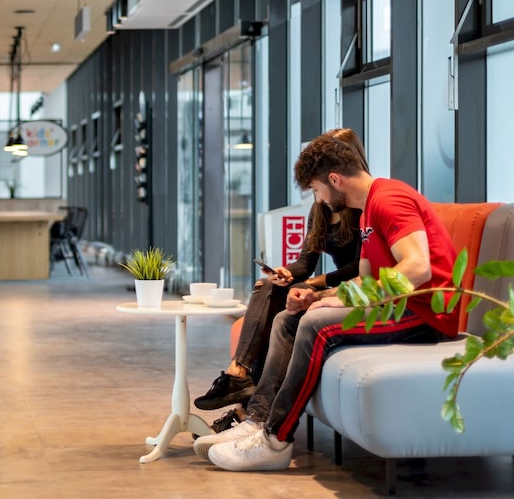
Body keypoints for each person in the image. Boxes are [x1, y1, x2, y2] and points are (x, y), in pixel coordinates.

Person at [195, 128, 459, 472]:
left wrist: (352, 300)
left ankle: (275, 441)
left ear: (334, 179)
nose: (318, 199)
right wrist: (317, 295)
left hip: (426, 312)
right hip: (398, 306)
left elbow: (418, 268)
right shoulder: (367, 210)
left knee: (316, 325)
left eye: (317, 189)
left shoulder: (389, 199)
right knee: (288, 319)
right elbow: (365, 280)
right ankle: (256, 422)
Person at [193, 128, 366, 429]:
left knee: (284, 315)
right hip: (328, 283)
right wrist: (287, 272)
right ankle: (238, 371)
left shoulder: (362, 207)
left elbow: (359, 270)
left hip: (350, 287)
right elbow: (305, 263)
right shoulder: (320, 207)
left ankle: (244, 412)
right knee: (270, 285)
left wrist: (315, 283)